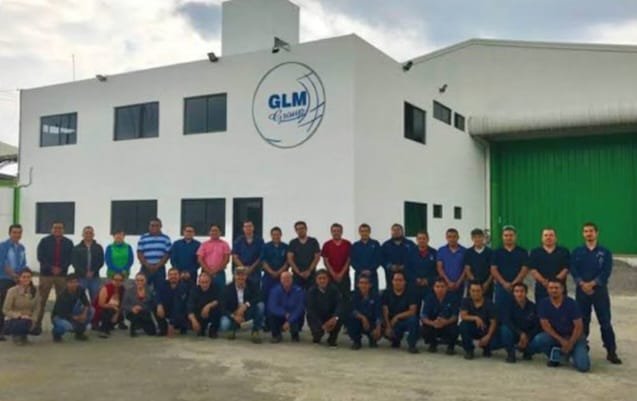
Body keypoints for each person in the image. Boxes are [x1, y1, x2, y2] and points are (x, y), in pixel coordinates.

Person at [570, 222, 622, 364]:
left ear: (596, 233)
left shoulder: (605, 252)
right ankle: (582, 348)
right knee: (582, 321)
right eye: (586, 231)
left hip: (599, 292)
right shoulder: (577, 252)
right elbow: (573, 269)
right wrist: (582, 283)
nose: (589, 234)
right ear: (583, 234)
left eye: (591, 231)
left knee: (605, 322)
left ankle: (611, 351)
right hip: (581, 292)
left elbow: (606, 271)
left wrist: (593, 284)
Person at [530, 279, 590, 372]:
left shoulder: (572, 303)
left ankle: (575, 351)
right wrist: (561, 340)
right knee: (539, 339)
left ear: (562, 289)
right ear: (547, 289)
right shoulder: (543, 303)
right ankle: (555, 356)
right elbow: (545, 326)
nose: (554, 290)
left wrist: (570, 343)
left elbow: (578, 326)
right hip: (556, 336)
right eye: (551, 288)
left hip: (574, 337)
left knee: (583, 367)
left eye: (556, 288)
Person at [35, 221, 74, 332]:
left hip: (62, 275)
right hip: (46, 275)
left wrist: (61, 268)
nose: (57, 230)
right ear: (52, 229)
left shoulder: (68, 242)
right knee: (41, 300)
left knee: (61, 301)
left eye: (60, 228)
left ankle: (58, 325)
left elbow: (71, 258)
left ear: (63, 230)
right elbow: (40, 256)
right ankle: (37, 324)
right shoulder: (44, 241)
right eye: (55, 228)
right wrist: (51, 268)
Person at [490, 226, 529, 315]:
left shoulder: (522, 252)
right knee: (500, 311)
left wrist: (515, 283)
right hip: (501, 287)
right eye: (506, 235)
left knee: (518, 311)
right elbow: (493, 269)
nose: (508, 238)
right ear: (502, 237)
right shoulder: (497, 252)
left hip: (518, 287)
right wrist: (504, 283)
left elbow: (525, 269)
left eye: (511, 235)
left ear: (515, 236)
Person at [220, 266, 264, 343]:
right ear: (234, 276)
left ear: (246, 276)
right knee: (224, 325)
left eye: (243, 276)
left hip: (248, 310)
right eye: (238, 276)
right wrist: (234, 316)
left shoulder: (252, 285)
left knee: (261, 306)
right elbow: (222, 307)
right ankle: (233, 329)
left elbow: (259, 297)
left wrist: (246, 305)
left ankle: (255, 331)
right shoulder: (227, 289)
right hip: (233, 312)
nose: (240, 278)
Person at [500, 283, 540, 363]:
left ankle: (528, 351)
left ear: (526, 292)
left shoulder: (533, 307)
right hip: (514, 333)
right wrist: (521, 333)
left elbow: (537, 325)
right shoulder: (508, 305)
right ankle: (511, 353)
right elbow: (507, 322)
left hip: (529, 335)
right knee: (504, 329)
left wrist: (527, 337)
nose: (519, 294)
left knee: (539, 338)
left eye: (522, 291)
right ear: (513, 293)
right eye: (516, 291)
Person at [0, 224, 27, 340]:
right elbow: (2, 263)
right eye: (14, 232)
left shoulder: (21, 248)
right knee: (3, 304)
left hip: (18, 280)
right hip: (4, 279)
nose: (17, 235)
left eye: (19, 232)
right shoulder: (3, 246)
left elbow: (23, 263)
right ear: (9, 233)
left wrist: (21, 277)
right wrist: (13, 275)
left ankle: (11, 329)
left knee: (15, 305)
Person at [381, 271, 419, 353]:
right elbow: (385, 311)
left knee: (413, 320)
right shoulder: (386, 293)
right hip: (391, 322)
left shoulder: (411, 293)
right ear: (392, 281)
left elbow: (412, 311)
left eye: (400, 280)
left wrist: (397, 317)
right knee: (380, 325)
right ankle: (395, 340)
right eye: (396, 280)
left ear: (404, 282)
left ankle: (412, 345)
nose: (398, 282)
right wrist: (388, 326)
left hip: (404, 321)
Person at [459, 280, 499, 360]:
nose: (475, 293)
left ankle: (486, 348)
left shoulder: (489, 303)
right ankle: (469, 350)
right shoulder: (466, 301)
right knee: (463, 325)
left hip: (485, 329)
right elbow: (463, 316)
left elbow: (493, 322)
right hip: (472, 328)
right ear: (469, 291)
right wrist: (476, 318)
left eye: (478, 291)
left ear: (482, 291)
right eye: (473, 291)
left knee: (496, 332)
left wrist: (488, 336)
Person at [528, 228, 569, 302]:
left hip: (559, 288)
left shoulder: (564, 251)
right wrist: (543, 281)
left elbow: (566, 268)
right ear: (542, 238)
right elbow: (533, 270)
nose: (548, 237)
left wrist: (555, 282)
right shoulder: (535, 252)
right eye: (546, 235)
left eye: (551, 235)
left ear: (555, 238)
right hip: (542, 288)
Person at [420, 278, 459, 355]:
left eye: (442, 286)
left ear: (446, 287)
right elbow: (423, 317)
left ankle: (451, 347)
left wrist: (445, 322)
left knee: (455, 329)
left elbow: (455, 316)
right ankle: (433, 344)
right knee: (424, 329)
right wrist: (432, 323)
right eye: (437, 286)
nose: (440, 289)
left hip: (447, 324)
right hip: (433, 324)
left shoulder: (453, 297)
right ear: (433, 288)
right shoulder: (429, 298)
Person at [1, 269, 40, 345]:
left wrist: (34, 319)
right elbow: (5, 310)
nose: (26, 279)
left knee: (37, 330)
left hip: (29, 319)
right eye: (24, 277)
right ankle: (16, 335)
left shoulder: (35, 290)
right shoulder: (12, 291)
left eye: (28, 277)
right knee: (23, 323)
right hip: (13, 319)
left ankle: (23, 334)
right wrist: (20, 316)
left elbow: (37, 308)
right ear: (19, 278)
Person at [51, 273, 93, 342]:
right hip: (60, 316)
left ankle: (79, 332)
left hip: (73, 313)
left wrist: (84, 314)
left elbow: (86, 304)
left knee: (91, 310)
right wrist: (77, 318)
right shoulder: (62, 295)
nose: (74, 284)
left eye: (76, 282)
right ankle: (56, 334)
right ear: (67, 283)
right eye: (71, 282)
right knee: (67, 326)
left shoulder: (80, 290)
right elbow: (61, 313)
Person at [260, 227, 289, 328]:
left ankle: (281, 322)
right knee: (267, 299)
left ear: (281, 235)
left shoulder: (286, 247)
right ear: (271, 235)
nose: (276, 236)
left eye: (277, 234)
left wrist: (279, 272)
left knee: (281, 299)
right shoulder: (265, 247)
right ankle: (267, 322)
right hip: (268, 277)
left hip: (282, 278)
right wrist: (272, 272)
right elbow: (263, 261)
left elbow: (287, 262)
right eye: (274, 234)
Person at [306, 270, 343, 346]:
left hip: (330, 317)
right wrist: (321, 325)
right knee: (310, 317)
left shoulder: (334, 290)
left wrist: (334, 318)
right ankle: (317, 335)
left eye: (324, 278)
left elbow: (339, 305)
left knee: (339, 317)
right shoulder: (311, 291)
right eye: (320, 278)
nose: (322, 280)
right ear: (316, 280)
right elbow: (310, 309)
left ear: (328, 279)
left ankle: (332, 338)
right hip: (318, 317)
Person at [267, 272, 305, 343]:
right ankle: (276, 335)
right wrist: (284, 313)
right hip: (280, 315)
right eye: (284, 278)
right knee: (271, 314)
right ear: (280, 280)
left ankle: (295, 334)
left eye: (288, 278)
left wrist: (289, 321)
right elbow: (272, 306)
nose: (286, 280)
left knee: (300, 313)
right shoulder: (275, 290)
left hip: (293, 315)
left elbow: (299, 308)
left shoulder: (299, 291)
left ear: (292, 279)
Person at [71, 226, 105, 303]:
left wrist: (93, 271)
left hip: (94, 277)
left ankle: (93, 311)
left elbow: (101, 261)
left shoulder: (98, 247)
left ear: (93, 234)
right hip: (81, 277)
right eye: (86, 233)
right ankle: (81, 311)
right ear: (83, 234)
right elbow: (74, 262)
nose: (88, 234)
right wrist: (84, 273)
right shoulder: (77, 248)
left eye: (90, 233)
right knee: (79, 299)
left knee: (95, 299)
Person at [347, 273, 381, 349]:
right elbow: (352, 310)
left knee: (381, 324)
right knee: (351, 319)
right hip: (359, 321)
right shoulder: (353, 295)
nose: (363, 285)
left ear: (370, 285)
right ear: (358, 285)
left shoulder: (376, 296)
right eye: (361, 283)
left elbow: (378, 313)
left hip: (371, 322)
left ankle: (373, 339)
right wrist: (363, 318)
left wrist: (378, 328)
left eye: (366, 283)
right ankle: (356, 341)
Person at [137, 218, 172, 290]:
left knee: (160, 289)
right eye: (152, 225)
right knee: (143, 288)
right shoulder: (143, 238)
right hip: (145, 268)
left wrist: (157, 265)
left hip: (160, 269)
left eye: (157, 225)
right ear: (149, 226)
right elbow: (139, 253)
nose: (154, 227)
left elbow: (167, 254)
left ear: (161, 226)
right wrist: (147, 265)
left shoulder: (166, 238)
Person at [321, 223, 352, 303]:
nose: (336, 232)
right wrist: (333, 274)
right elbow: (325, 261)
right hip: (331, 277)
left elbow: (349, 260)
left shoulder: (347, 244)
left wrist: (341, 274)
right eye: (334, 231)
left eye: (338, 231)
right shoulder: (327, 244)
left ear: (341, 232)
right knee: (331, 299)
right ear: (331, 232)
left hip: (344, 276)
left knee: (346, 298)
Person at [155, 268, 190, 337]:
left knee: (182, 310)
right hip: (167, 310)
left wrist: (171, 323)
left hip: (180, 312)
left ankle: (182, 326)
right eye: (171, 275)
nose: (173, 276)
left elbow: (178, 306)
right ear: (168, 276)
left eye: (175, 274)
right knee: (155, 306)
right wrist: (159, 304)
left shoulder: (184, 287)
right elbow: (157, 296)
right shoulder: (163, 285)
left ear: (179, 276)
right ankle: (163, 328)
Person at [197, 224, 231, 293]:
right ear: (209, 232)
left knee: (221, 292)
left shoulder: (225, 244)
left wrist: (215, 271)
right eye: (212, 231)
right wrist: (208, 271)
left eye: (216, 231)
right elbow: (200, 259)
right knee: (204, 292)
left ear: (220, 233)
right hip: (205, 272)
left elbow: (226, 259)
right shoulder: (204, 244)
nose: (214, 232)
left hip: (219, 273)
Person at [406, 230, 438, 303]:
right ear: (416, 240)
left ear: (428, 239)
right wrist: (415, 279)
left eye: (424, 238)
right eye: (420, 238)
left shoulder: (434, 252)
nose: (422, 240)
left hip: (429, 286)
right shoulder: (410, 252)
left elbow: (436, 270)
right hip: (414, 286)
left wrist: (428, 280)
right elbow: (407, 269)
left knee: (429, 307)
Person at [287, 221, 321, 289]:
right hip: (297, 275)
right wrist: (299, 272)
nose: (300, 230)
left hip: (311, 274)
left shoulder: (313, 241)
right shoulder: (293, 243)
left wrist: (309, 271)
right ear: (296, 231)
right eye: (298, 229)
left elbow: (317, 257)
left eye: (302, 228)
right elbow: (290, 259)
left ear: (306, 229)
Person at [187, 272, 222, 338]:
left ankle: (213, 330)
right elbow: (190, 307)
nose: (204, 285)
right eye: (202, 282)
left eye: (206, 282)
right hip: (199, 315)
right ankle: (200, 329)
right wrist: (194, 321)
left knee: (217, 309)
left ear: (210, 281)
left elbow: (219, 300)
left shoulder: (216, 288)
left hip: (211, 314)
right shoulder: (194, 290)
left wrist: (208, 306)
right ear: (199, 282)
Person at [463, 228, 494, 301]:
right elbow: (467, 269)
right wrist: (475, 283)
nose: (477, 239)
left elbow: (493, 270)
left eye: (479, 237)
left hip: (487, 285)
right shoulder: (468, 252)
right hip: (473, 286)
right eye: (475, 237)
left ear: (483, 238)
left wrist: (487, 283)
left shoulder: (490, 252)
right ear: (472, 238)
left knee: (487, 304)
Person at [436, 228, 467, 302]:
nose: (452, 239)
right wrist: (448, 282)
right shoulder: (441, 250)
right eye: (449, 237)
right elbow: (439, 268)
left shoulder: (464, 251)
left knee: (459, 305)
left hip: (460, 285)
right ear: (446, 238)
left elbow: (466, 269)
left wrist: (459, 282)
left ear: (458, 237)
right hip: (445, 285)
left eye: (454, 236)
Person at [380, 224, 415, 289]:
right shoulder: (386, 245)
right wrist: (390, 266)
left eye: (398, 230)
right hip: (390, 276)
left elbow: (414, 258)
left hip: (407, 276)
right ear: (391, 232)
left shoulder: (410, 244)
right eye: (394, 230)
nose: (396, 232)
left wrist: (405, 266)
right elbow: (381, 259)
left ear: (402, 231)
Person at [232, 220, 265, 287]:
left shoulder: (259, 240)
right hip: (241, 271)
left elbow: (261, 256)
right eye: (246, 226)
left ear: (253, 228)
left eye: (250, 226)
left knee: (255, 290)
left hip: (255, 271)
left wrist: (251, 268)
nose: (248, 228)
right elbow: (234, 256)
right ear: (243, 229)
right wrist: (243, 268)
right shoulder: (238, 240)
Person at [350, 223, 381, 293]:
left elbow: (378, 259)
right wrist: (361, 270)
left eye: (366, 231)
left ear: (369, 232)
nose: (364, 233)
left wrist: (370, 270)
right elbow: (353, 260)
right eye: (362, 231)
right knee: (358, 295)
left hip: (372, 274)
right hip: (359, 275)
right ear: (359, 232)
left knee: (373, 294)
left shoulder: (375, 244)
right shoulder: (355, 245)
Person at [93, 272, 125, 338]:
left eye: (120, 280)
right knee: (108, 311)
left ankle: (108, 326)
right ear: (112, 280)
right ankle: (103, 331)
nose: (118, 282)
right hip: (101, 309)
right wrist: (112, 306)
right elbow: (101, 304)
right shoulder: (106, 288)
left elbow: (122, 304)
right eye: (116, 280)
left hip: (114, 309)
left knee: (120, 316)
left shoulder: (122, 289)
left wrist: (117, 314)